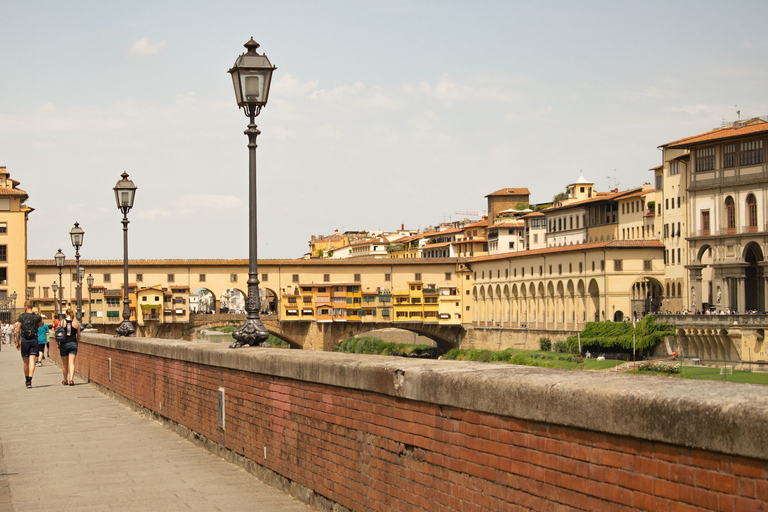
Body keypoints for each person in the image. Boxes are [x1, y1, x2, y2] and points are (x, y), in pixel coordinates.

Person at [15, 301, 44, 388]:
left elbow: (17, 331)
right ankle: (30, 380)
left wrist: (17, 342)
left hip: (25, 340)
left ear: (25, 307)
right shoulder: (36, 317)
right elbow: (42, 325)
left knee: (25, 362)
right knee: (32, 361)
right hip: (34, 340)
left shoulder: (22, 316)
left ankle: (26, 379)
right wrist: (39, 318)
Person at [58, 308, 80, 386]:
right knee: (72, 362)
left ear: (66, 314)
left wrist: (58, 343)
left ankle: (65, 379)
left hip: (64, 344)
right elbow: (79, 335)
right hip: (73, 343)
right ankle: (71, 379)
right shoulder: (76, 322)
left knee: (64, 364)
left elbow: (58, 334)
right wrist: (76, 343)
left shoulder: (62, 322)